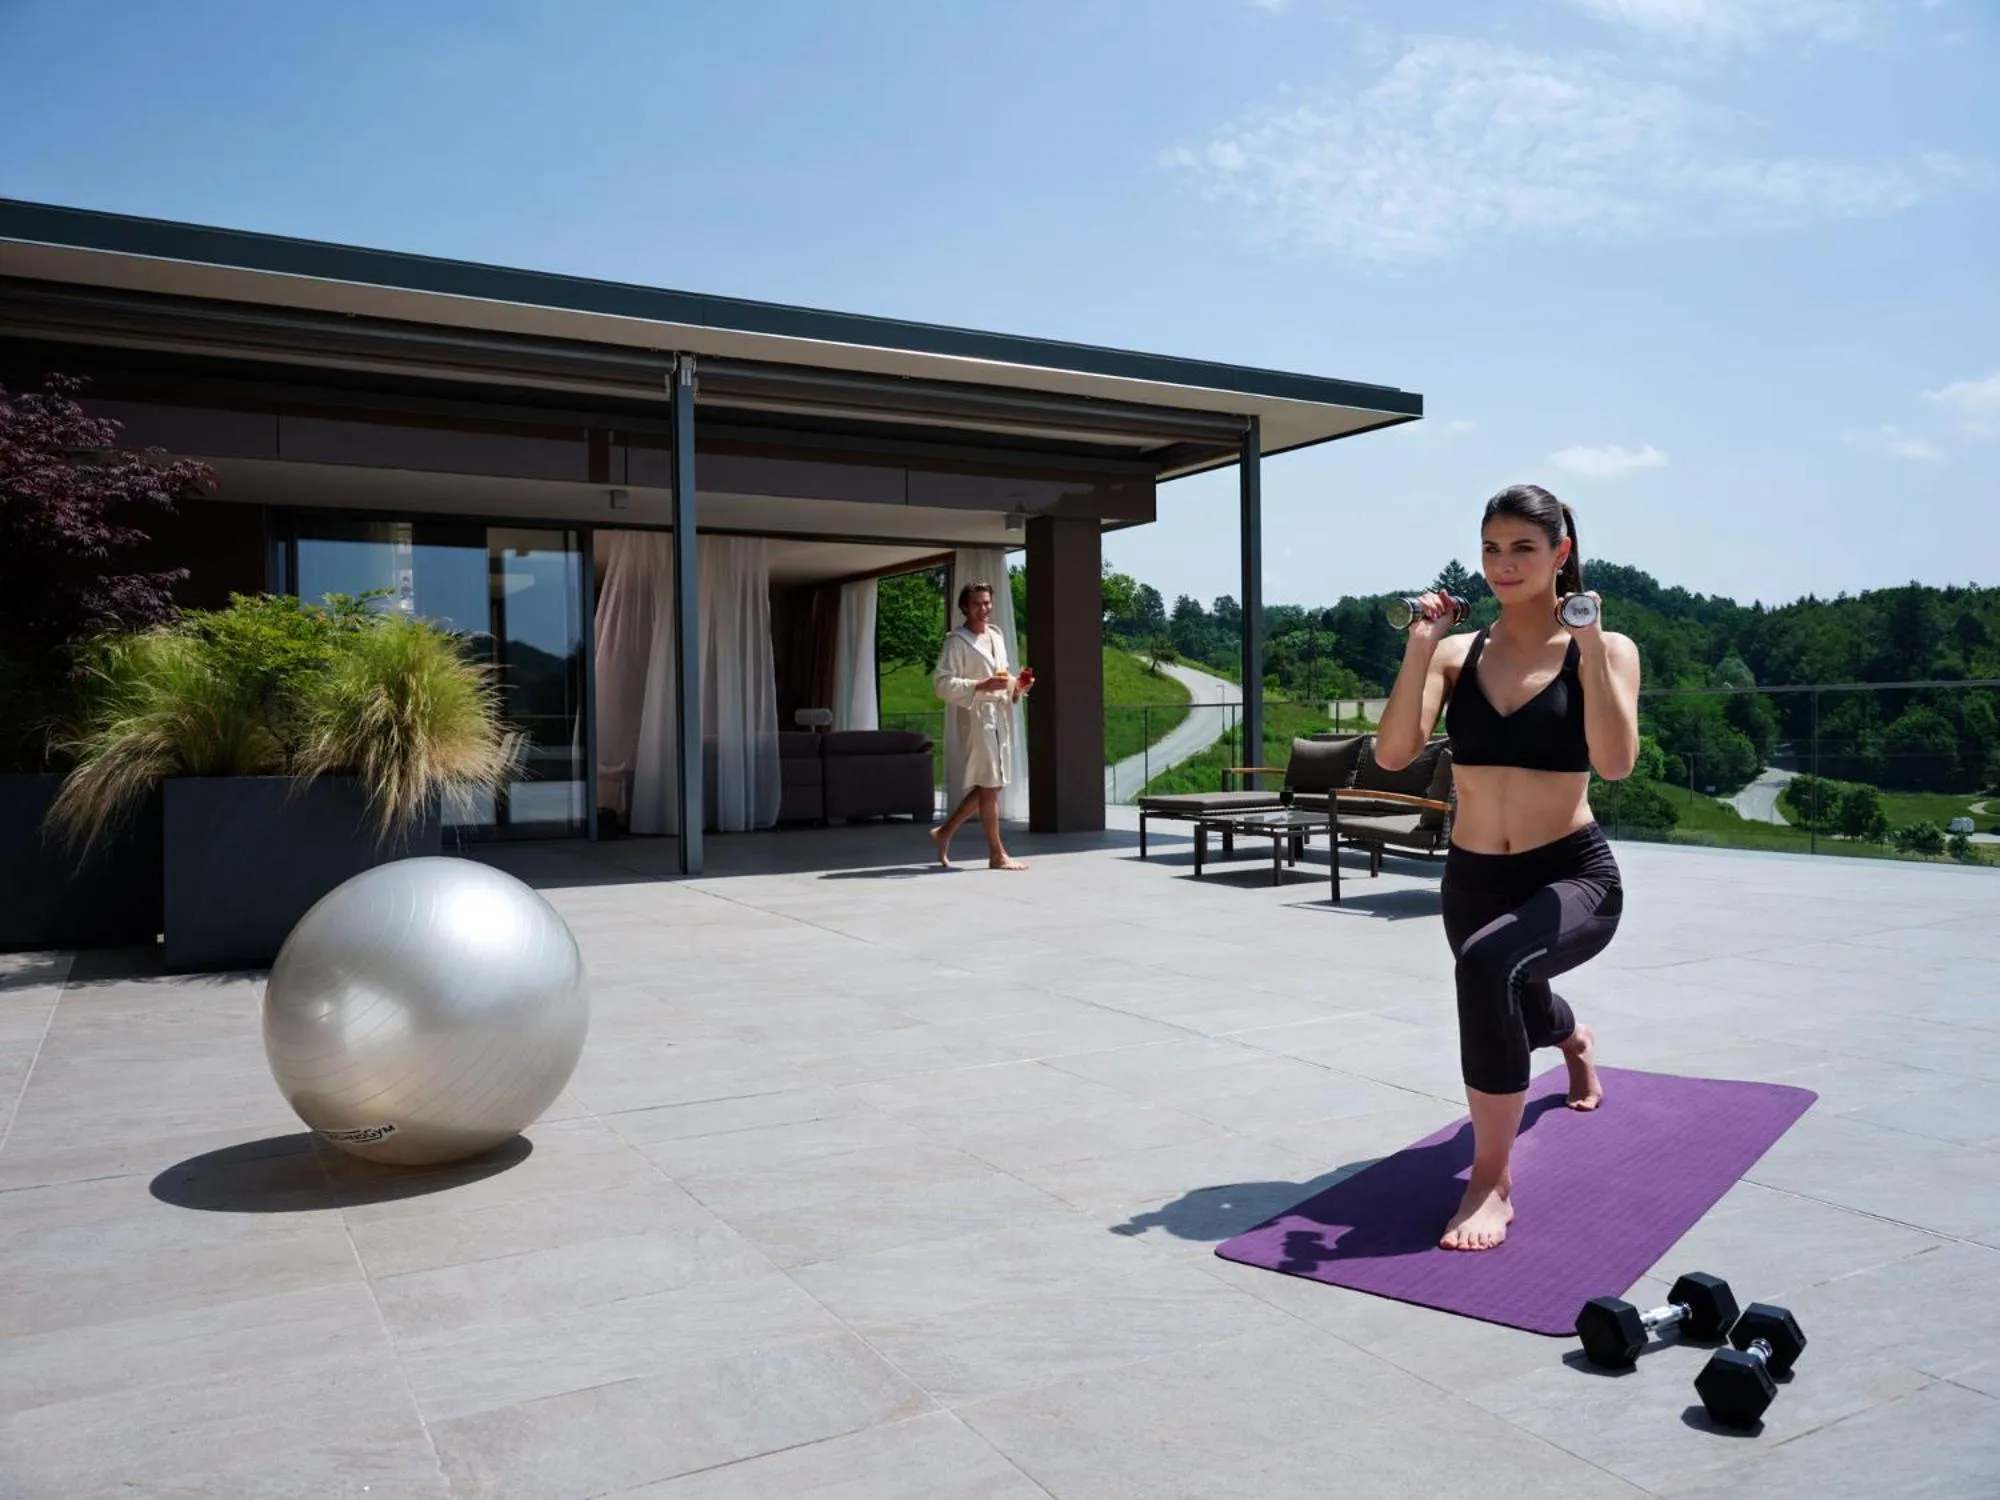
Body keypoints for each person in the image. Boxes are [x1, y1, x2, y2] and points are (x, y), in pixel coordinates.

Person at [1373, 483, 1642, 1252]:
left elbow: (1617, 763)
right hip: (1473, 876)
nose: (1503, 563)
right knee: (1515, 993)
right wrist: (1420, 644)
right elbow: (1394, 752)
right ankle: (1573, 1040)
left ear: (1560, 554)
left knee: (1490, 968)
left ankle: (1491, 1179)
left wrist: (1588, 647)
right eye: (1491, 548)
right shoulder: (1462, 654)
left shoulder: (1608, 648)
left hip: (1573, 876)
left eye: (1524, 547)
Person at [930, 581, 1034, 870]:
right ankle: (996, 854)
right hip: (977, 719)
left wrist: (1019, 686)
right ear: (965, 607)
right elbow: (941, 683)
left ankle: (944, 832)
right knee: (990, 785)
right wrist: (980, 685)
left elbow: (1003, 677)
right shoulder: (957, 642)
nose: (983, 609)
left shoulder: (997, 637)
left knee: (993, 785)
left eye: (987, 603)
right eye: (977, 604)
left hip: (1000, 717)